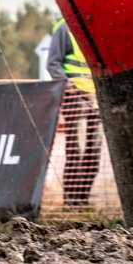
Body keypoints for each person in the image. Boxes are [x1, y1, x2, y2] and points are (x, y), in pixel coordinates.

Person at [47, 18, 102, 208]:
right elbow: (53, 63)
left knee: (93, 153)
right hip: (76, 98)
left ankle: (83, 199)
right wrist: (69, 86)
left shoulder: (95, 27)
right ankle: (72, 201)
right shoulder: (64, 28)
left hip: (98, 99)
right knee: (76, 151)